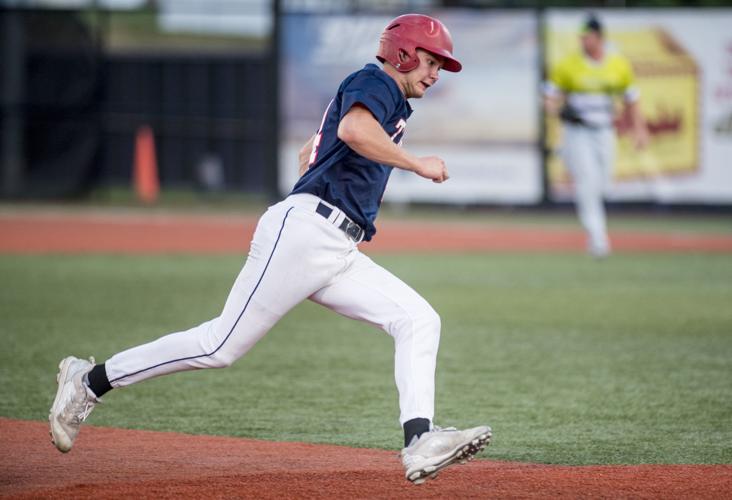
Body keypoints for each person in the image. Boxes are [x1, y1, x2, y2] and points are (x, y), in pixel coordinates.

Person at [48, 14, 491, 485]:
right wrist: (416, 165)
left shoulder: (386, 97)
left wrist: (321, 158)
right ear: (402, 53)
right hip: (306, 234)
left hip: (337, 247)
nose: (436, 72)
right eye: (431, 59)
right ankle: (88, 380)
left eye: (441, 64)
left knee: (418, 319)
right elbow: (353, 132)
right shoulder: (377, 81)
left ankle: (419, 439)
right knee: (218, 346)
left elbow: (316, 147)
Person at [544, 14, 649, 258]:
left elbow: (632, 99)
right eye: (581, 37)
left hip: (604, 131)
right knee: (587, 182)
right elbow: (549, 97)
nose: (583, 41)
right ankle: (598, 237)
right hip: (578, 131)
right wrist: (559, 109)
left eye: (587, 36)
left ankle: (596, 229)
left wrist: (640, 130)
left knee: (603, 184)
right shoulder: (569, 65)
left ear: (599, 37)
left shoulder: (617, 64)